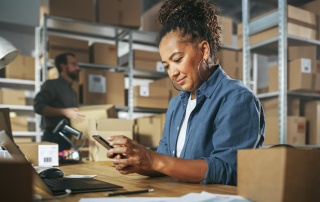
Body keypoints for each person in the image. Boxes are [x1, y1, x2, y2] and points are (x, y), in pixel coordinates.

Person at [106, 0, 265, 185]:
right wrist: (139, 164)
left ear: (204, 50)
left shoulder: (237, 98)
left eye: (178, 59)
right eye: (166, 66)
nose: (172, 72)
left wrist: (152, 159)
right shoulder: (176, 104)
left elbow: (228, 170)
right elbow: (167, 161)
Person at [34, 53, 85, 152]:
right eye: (73, 64)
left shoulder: (72, 91)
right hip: (53, 137)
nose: (77, 67)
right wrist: (65, 112)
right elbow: (38, 107)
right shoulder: (51, 85)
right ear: (63, 66)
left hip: (66, 137)